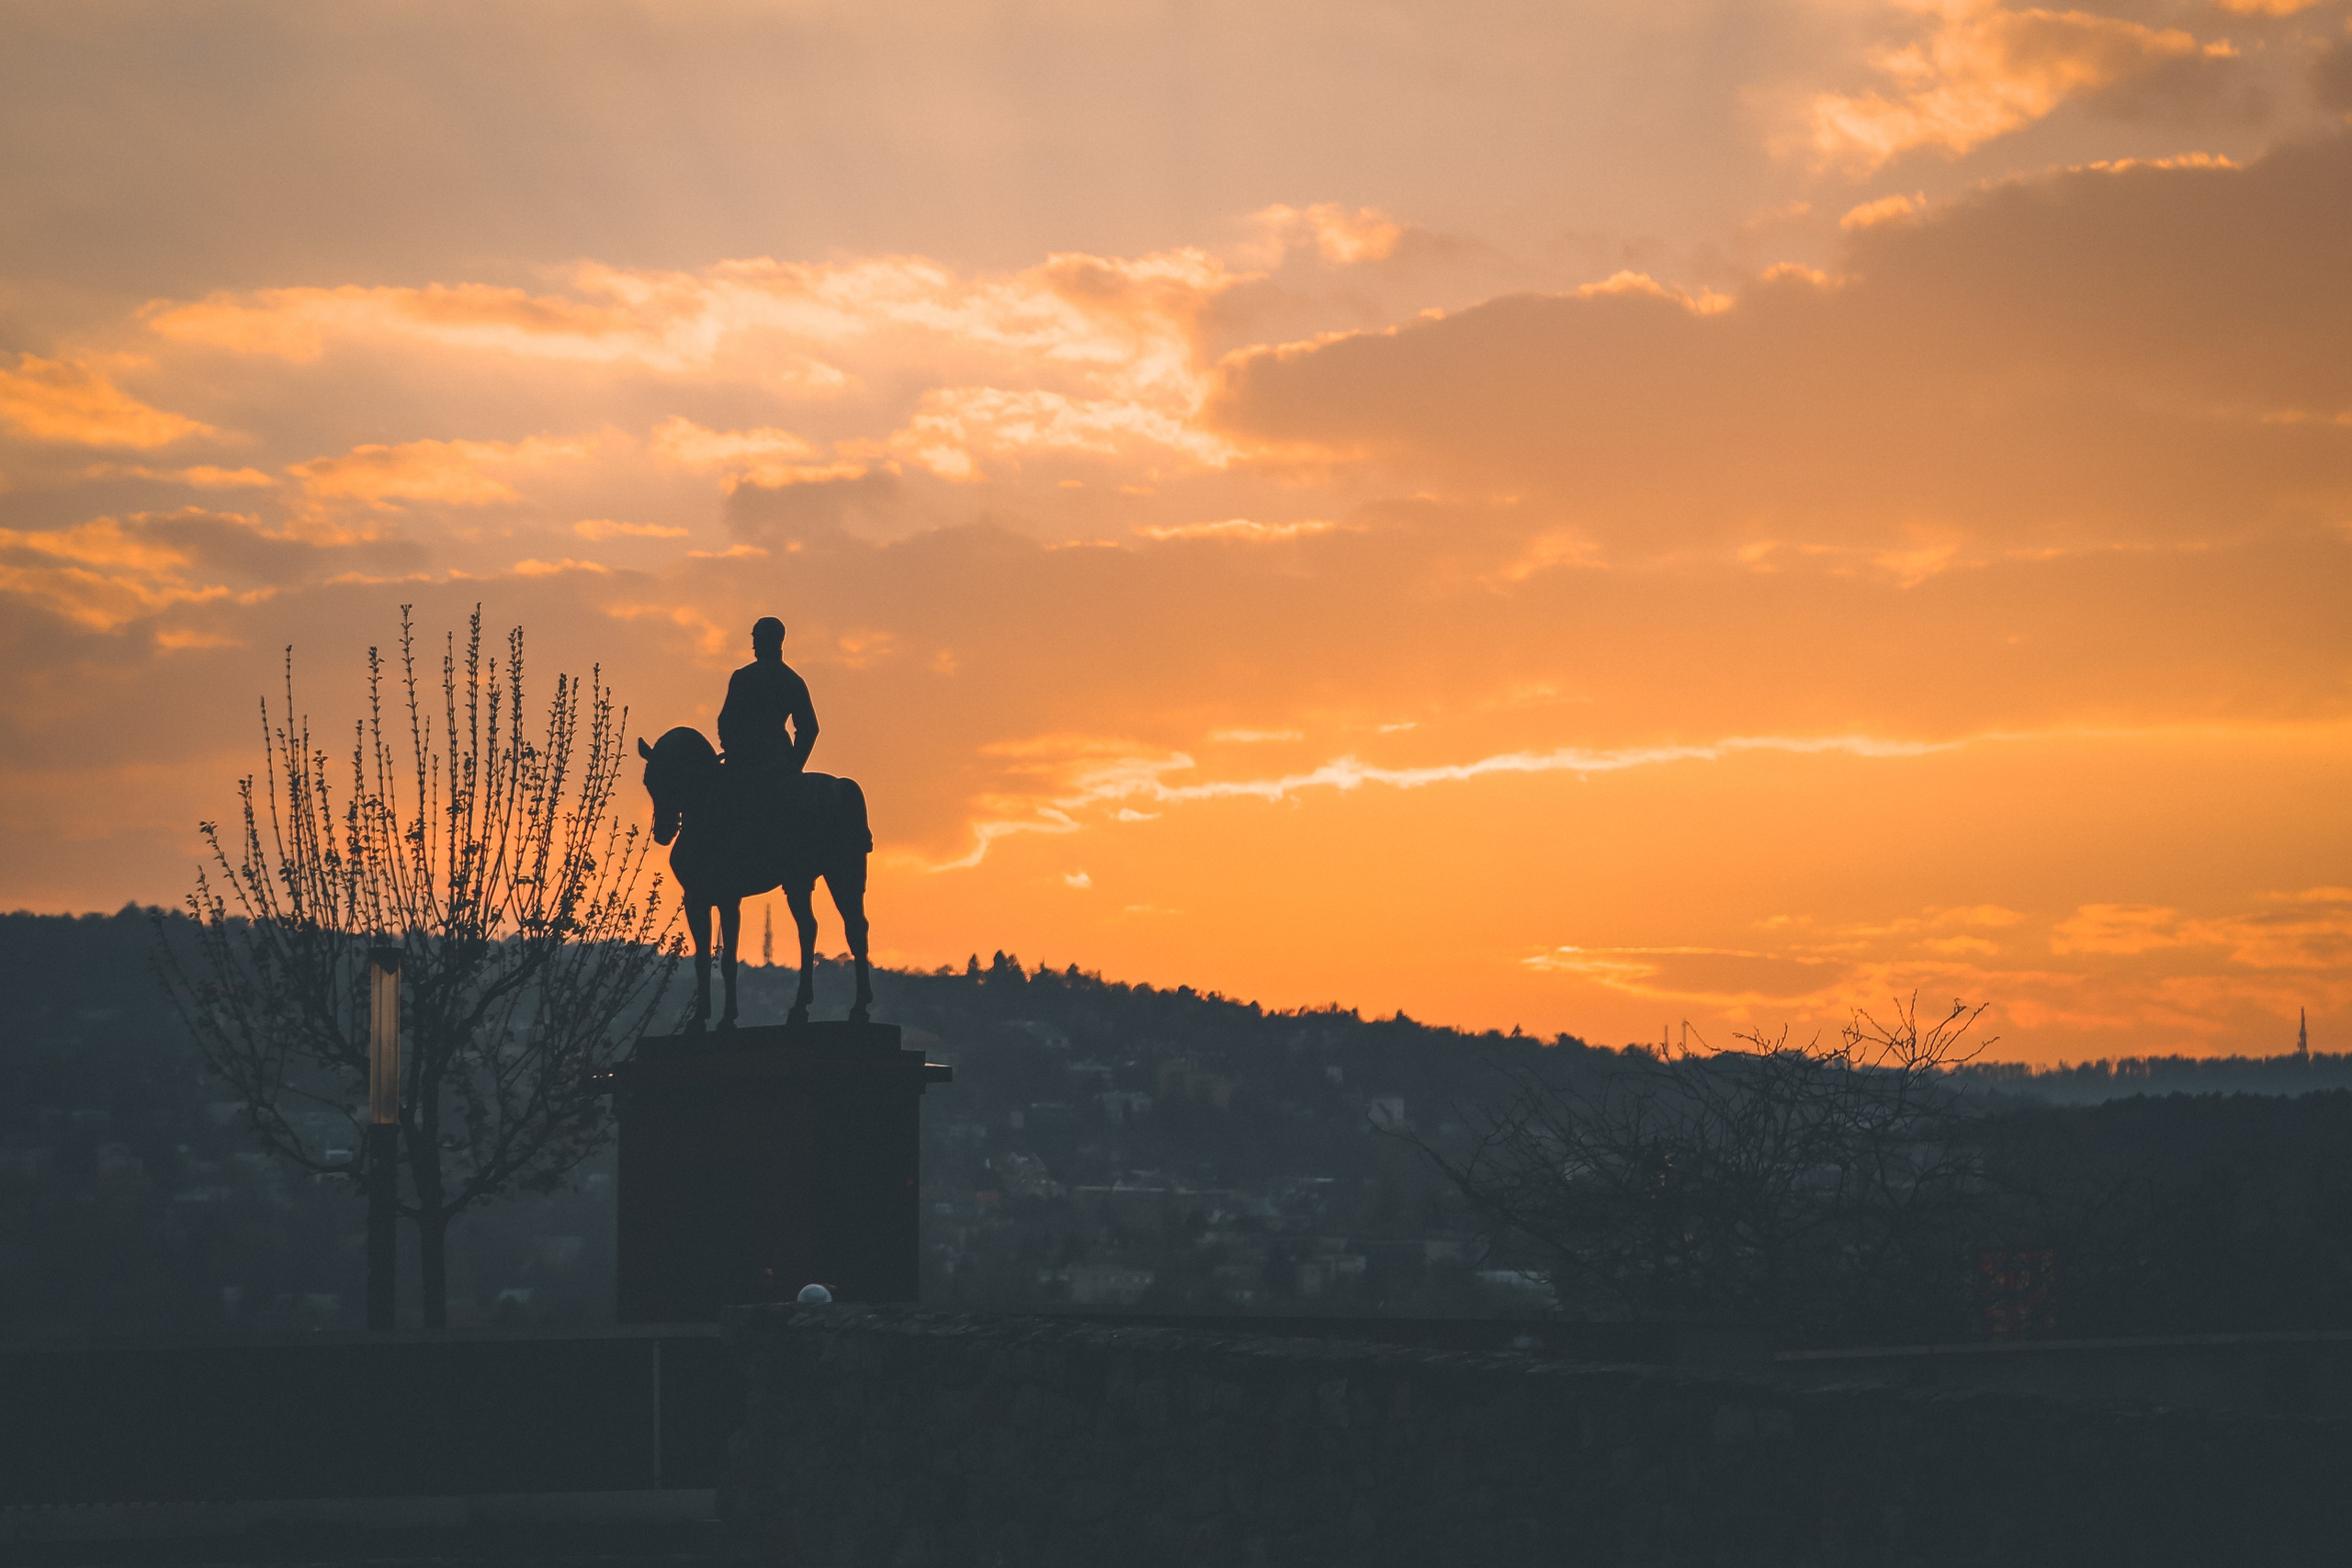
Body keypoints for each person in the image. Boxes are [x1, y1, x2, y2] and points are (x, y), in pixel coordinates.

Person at [718, 616, 819, 791]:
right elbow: (809, 728)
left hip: (744, 761)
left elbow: (726, 721)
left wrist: (733, 749)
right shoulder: (793, 680)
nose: (754, 645)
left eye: (756, 639)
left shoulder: (743, 677)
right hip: (780, 758)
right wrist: (794, 765)